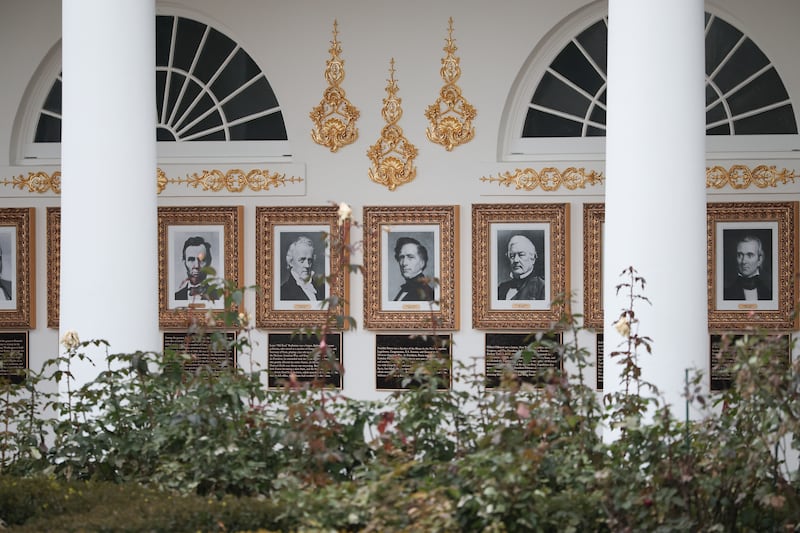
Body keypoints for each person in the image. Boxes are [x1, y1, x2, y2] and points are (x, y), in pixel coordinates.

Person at [723, 234, 772, 300]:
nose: (743, 261)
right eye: (740, 255)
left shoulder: (770, 293)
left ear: (759, 259)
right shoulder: (725, 294)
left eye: (749, 255)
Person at [497, 234, 545, 300]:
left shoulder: (543, 288)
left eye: (521, 255)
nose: (516, 260)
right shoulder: (501, 288)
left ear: (533, 259)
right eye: (512, 256)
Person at [280, 235, 325, 301]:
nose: (307, 265)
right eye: (302, 260)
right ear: (291, 262)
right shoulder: (283, 293)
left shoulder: (323, 288)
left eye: (309, 260)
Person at [393, 236, 434, 301]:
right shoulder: (406, 288)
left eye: (410, 257)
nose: (404, 263)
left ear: (422, 263)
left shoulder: (426, 293)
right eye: (401, 257)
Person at [174, 236, 213, 300]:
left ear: (209, 262)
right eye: (191, 259)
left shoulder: (219, 296)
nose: (197, 266)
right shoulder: (176, 297)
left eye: (202, 260)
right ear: (184, 262)